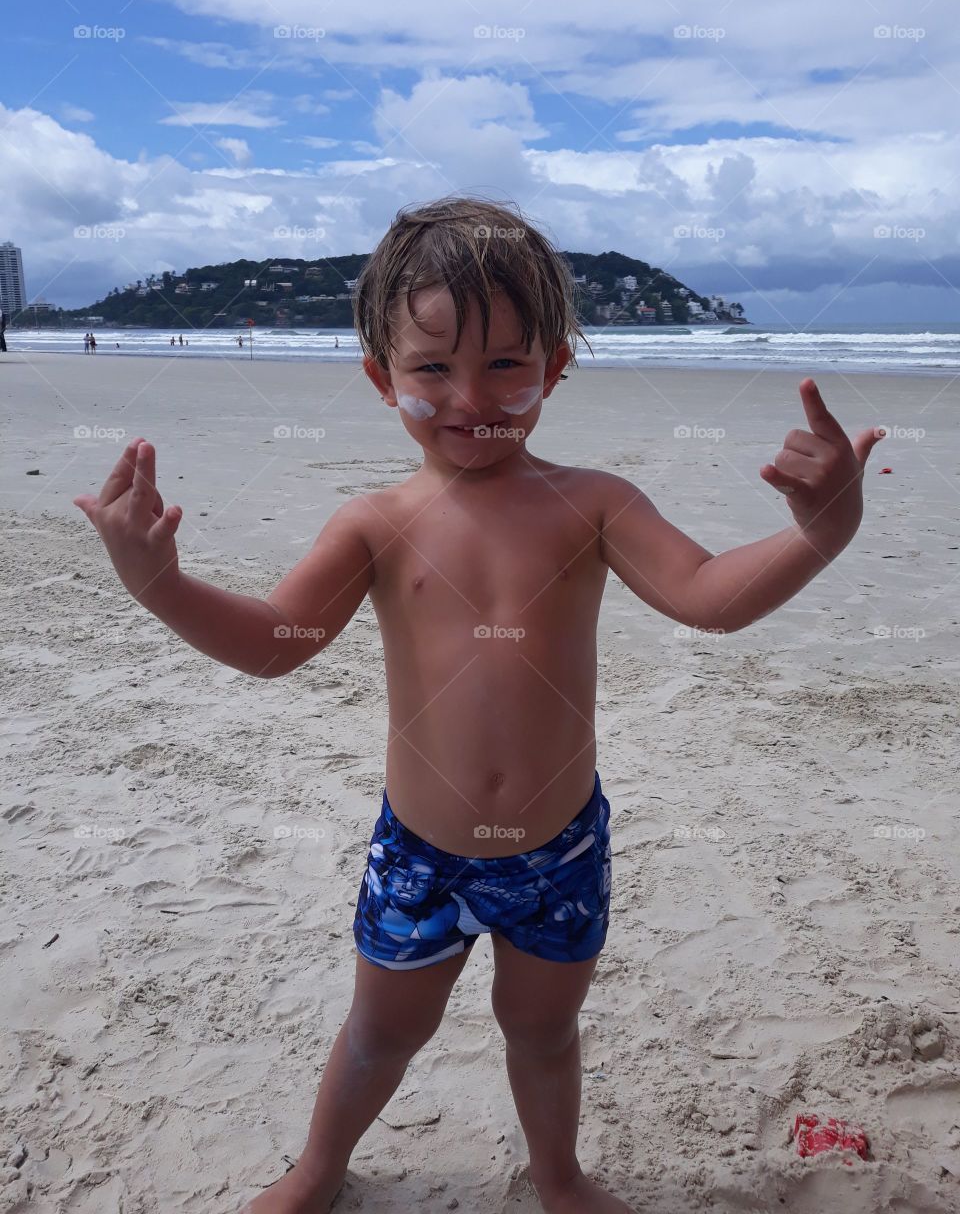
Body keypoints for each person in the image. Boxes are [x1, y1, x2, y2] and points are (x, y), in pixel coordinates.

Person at [72, 196, 885, 1214]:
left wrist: (823, 532)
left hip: (560, 848)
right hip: (422, 849)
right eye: (433, 367)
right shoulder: (374, 522)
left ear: (555, 365)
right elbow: (275, 645)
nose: (472, 395)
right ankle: (318, 1168)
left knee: (543, 1029)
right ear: (382, 377)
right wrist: (160, 583)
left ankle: (558, 1174)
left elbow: (708, 597)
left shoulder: (594, 502)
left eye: (507, 363)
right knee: (382, 1029)